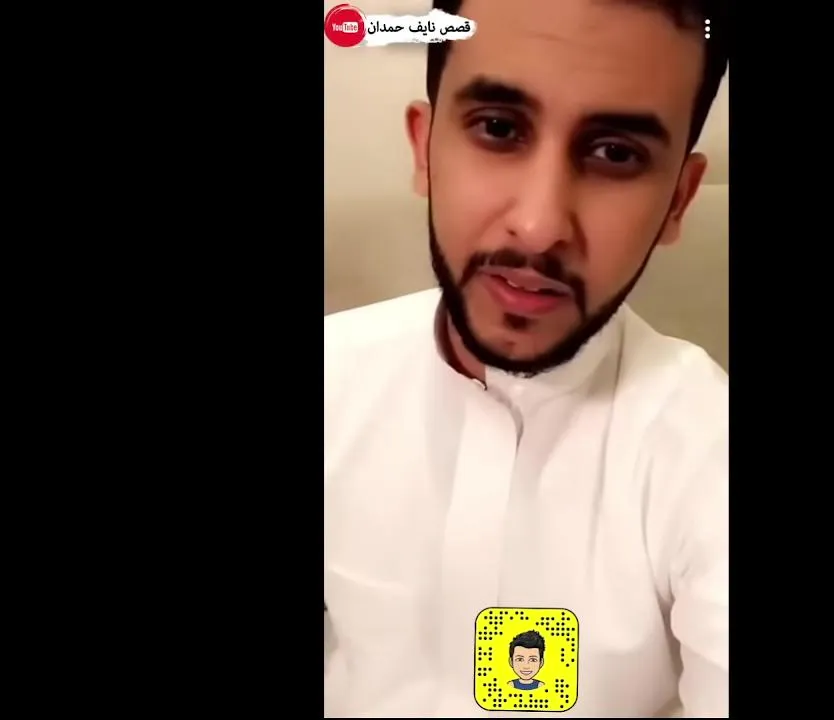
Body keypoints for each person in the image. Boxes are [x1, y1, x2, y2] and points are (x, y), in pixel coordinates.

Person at [323, 0, 729, 716]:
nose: (539, 227)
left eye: (615, 153)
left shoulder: (706, 449)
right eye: (499, 128)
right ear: (424, 149)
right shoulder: (335, 377)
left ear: (677, 200)